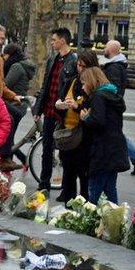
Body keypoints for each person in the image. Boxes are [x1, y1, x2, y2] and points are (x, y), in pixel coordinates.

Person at [33, 27, 78, 192]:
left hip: (64, 113)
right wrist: (38, 109)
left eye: (54, 40)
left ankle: (66, 187)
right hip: (49, 111)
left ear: (63, 41)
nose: (52, 43)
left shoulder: (73, 60)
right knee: (47, 148)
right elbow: (45, 85)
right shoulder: (52, 59)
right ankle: (44, 184)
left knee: (65, 150)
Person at [78, 66, 131, 203]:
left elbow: (99, 122)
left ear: (91, 81)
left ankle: (88, 220)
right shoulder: (112, 94)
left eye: (84, 83)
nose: (83, 88)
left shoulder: (98, 96)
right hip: (114, 147)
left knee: (94, 190)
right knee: (109, 189)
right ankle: (114, 219)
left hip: (103, 149)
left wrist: (86, 117)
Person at [53, 49, 99, 202]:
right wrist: (59, 104)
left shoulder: (93, 84)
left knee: (83, 169)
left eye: (84, 66)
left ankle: (84, 200)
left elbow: (92, 108)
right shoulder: (72, 81)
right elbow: (61, 98)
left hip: (83, 134)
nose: (80, 69)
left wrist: (76, 106)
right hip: (67, 131)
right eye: (79, 65)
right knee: (68, 167)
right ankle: (68, 197)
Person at [103, 40, 135, 175]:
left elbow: (114, 89)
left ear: (111, 50)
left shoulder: (114, 67)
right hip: (113, 106)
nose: (104, 49)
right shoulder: (117, 65)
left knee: (115, 135)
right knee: (116, 134)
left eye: (105, 47)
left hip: (111, 107)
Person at [1, 44, 36, 171]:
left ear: (10, 55)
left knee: (7, 137)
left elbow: (6, 85)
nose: (3, 57)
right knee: (9, 137)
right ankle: (20, 160)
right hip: (19, 105)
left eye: (5, 54)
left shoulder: (16, 67)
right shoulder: (23, 65)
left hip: (13, 104)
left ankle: (11, 163)